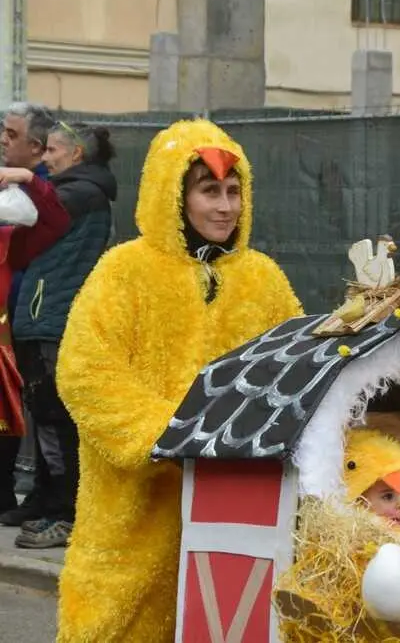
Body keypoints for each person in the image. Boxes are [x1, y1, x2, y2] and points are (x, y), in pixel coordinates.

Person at [54, 119, 303, 642]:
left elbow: (294, 370)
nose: (225, 207)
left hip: (234, 507)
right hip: (135, 506)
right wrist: (166, 436)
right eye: (209, 191)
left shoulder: (263, 278)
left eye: (234, 191)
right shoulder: (124, 271)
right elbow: (84, 370)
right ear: (174, 195)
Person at [3, 123, 119, 549]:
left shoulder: (79, 193)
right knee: (48, 418)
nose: (45, 158)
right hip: (43, 315)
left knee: (56, 420)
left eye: (52, 150)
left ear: (76, 155)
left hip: (53, 318)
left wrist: (23, 179)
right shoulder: (76, 190)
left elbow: (26, 212)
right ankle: (53, 504)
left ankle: (66, 514)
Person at [0, 102, 57, 517]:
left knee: (24, 412)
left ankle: (26, 495)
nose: (3, 141)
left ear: (36, 148)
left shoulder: (40, 192)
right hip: (15, 314)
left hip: (24, 316)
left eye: (12, 135)